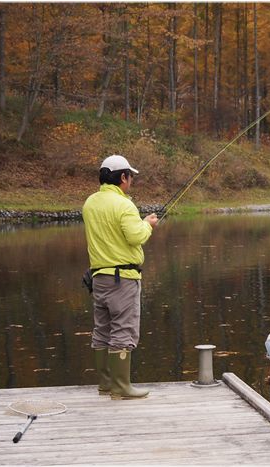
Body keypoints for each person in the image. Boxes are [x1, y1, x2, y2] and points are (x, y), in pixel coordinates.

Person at [82, 154, 158, 400]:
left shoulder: (90, 203)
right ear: (122, 177)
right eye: (130, 177)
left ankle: (105, 384)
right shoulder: (124, 205)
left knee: (102, 330)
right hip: (123, 278)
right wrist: (147, 224)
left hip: (99, 277)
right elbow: (136, 236)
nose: (131, 181)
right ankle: (121, 387)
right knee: (123, 330)